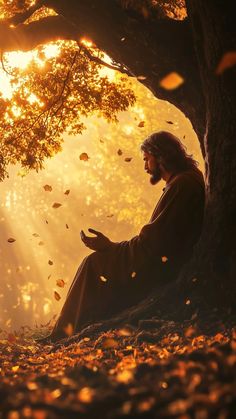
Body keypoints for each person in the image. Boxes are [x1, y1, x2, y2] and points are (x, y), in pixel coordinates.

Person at [45, 131, 205, 342]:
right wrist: (112, 247)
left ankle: (61, 334)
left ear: (160, 156)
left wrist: (111, 248)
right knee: (96, 262)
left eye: (147, 159)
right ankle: (69, 331)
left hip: (163, 267)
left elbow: (153, 244)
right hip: (163, 262)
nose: (145, 166)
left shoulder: (182, 184)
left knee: (93, 263)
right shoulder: (184, 180)